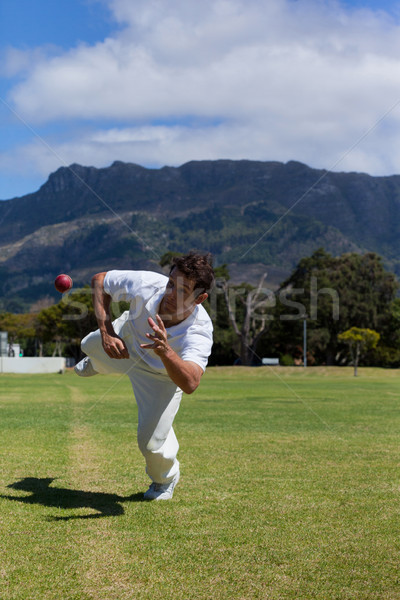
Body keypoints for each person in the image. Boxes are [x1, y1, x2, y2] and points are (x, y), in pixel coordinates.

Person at [74, 252, 214, 501]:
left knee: (151, 444)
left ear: (200, 298)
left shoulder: (199, 330)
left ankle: (166, 480)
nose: (171, 294)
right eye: (171, 283)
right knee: (89, 343)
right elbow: (99, 280)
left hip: (161, 376)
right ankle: (100, 361)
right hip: (125, 341)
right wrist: (107, 333)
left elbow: (191, 382)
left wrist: (166, 351)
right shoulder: (147, 284)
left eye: (183, 291)